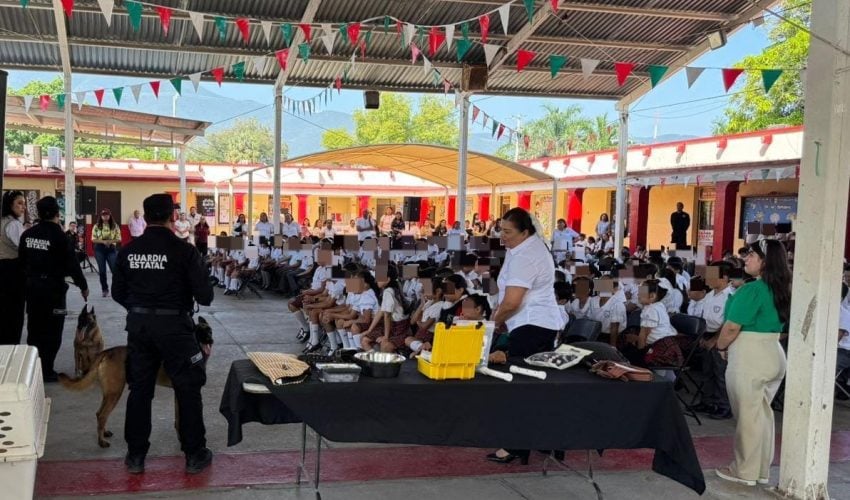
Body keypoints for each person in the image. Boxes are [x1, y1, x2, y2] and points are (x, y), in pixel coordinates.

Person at [111, 193, 214, 476]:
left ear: (144, 217)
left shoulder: (129, 251)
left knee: (140, 390)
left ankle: (135, 456)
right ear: (172, 217)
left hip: (140, 328)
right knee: (188, 390)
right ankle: (194, 454)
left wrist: (140, 308)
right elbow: (205, 296)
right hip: (176, 329)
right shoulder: (185, 251)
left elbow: (118, 293)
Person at [487, 207, 565, 465]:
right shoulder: (522, 249)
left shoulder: (525, 256)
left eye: (508, 231)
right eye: (501, 230)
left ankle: (516, 445)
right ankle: (545, 440)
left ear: (525, 231)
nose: (503, 236)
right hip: (533, 324)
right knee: (533, 388)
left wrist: (489, 325)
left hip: (533, 325)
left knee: (520, 387)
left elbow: (512, 302)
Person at [714, 239, 790, 487]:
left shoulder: (752, 290)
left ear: (765, 262)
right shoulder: (780, 288)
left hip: (750, 355)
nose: (746, 259)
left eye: (751, 255)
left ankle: (744, 471)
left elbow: (732, 326)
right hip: (773, 352)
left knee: (747, 418)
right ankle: (759, 470)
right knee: (762, 417)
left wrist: (721, 346)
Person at [18, 196, 89, 381]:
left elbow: (22, 261)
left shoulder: (27, 234)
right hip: (53, 290)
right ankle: (47, 370)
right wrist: (83, 285)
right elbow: (72, 264)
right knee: (53, 330)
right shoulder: (60, 236)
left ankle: (32, 369)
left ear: (39, 214)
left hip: (33, 289)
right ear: (57, 214)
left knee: (34, 329)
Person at [0, 191, 27, 344]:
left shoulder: (3, 221)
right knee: (14, 315)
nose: (23, 207)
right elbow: (24, 249)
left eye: (24, 203)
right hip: (12, 272)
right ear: (10, 205)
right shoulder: (14, 225)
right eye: (19, 203)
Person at [92, 208, 121, 298]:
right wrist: (103, 242)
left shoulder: (115, 226)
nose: (105, 216)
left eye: (107, 215)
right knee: (102, 271)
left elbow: (119, 239)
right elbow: (93, 239)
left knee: (115, 271)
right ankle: (105, 290)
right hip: (99, 249)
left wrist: (110, 241)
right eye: (103, 215)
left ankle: (116, 289)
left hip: (111, 249)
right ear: (101, 216)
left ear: (110, 215)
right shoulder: (96, 226)